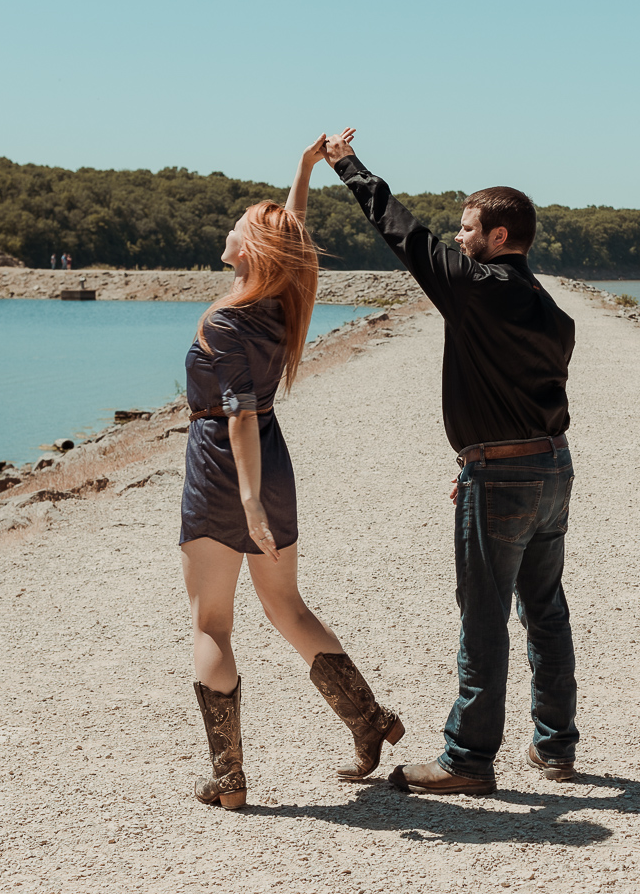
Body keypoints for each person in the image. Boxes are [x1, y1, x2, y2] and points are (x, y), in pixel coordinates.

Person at [324, 128, 579, 796]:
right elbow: (525, 395)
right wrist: (476, 455)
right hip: (552, 467)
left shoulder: (474, 285)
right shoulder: (554, 313)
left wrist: (346, 163)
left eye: (467, 228)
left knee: (484, 614)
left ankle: (466, 759)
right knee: (545, 608)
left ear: (498, 237)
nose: (456, 236)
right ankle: (555, 747)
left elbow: (402, 234)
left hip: (504, 475)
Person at [179, 133, 402, 810]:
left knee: (212, 624)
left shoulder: (226, 320)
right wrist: (305, 170)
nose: (233, 227)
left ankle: (229, 777)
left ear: (250, 248)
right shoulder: (282, 299)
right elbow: (295, 235)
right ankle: (370, 722)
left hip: (228, 465)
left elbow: (238, 417)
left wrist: (247, 505)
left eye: (240, 226)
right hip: (271, 461)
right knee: (287, 606)